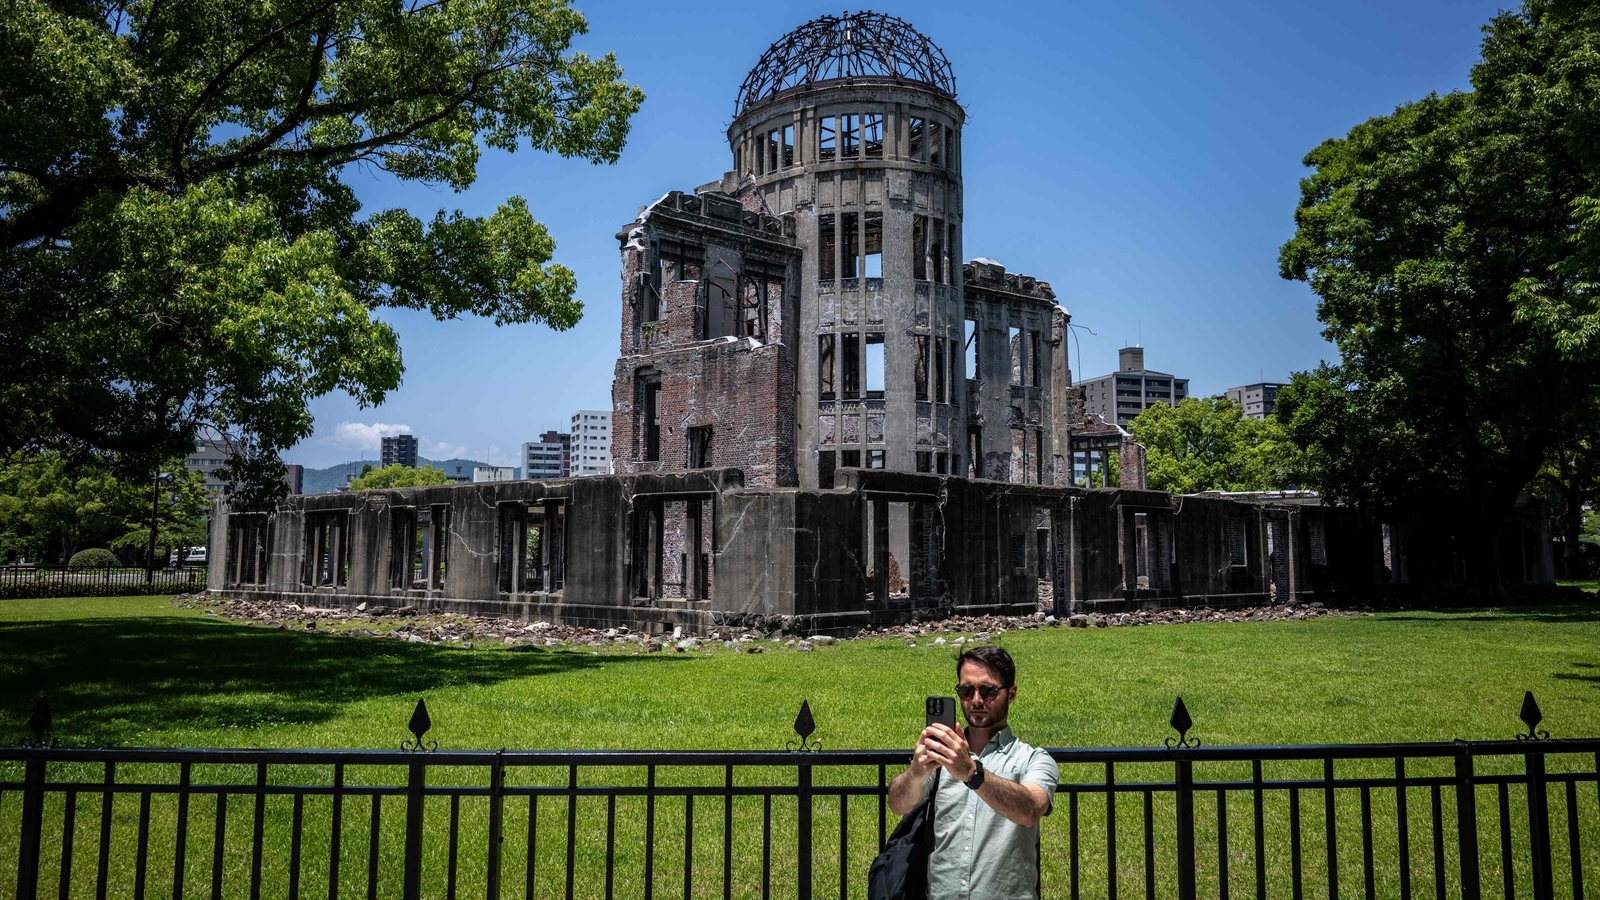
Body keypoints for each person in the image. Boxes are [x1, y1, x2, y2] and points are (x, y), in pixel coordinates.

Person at [887, 645, 1058, 900]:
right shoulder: (942, 756)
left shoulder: (1032, 758)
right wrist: (915, 772)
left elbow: (1030, 809)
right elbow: (897, 804)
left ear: (1011, 693)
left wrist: (971, 773)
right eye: (967, 691)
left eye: (988, 691)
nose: (976, 700)